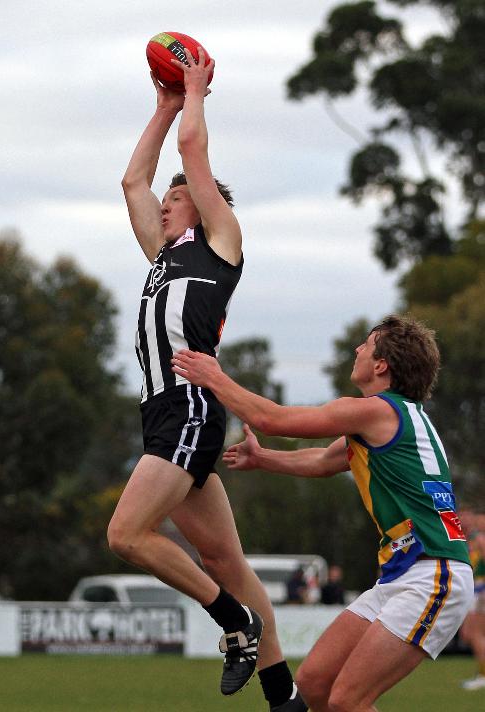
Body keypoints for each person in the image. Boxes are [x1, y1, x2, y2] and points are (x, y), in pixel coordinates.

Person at [108, 47, 306, 711]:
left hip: (189, 410)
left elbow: (195, 148)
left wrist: (193, 91)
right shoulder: (164, 257)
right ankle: (285, 698)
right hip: (163, 415)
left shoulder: (220, 240)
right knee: (228, 562)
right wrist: (163, 107)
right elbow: (133, 183)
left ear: (201, 203)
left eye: (175, 196)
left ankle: (233, 623)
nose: (162, 204)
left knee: (125, 535)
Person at [172, 314, 474, 711]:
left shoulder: (376, 411)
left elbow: (271, 419)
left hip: (433, 574)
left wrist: (213, 377)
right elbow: (323, 461)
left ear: (382, 364)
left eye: (366, 345)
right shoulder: (399, 418)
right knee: (314, 684)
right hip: (407, 574)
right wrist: (264, 459)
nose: (358, 350)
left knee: (348, 701)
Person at [459, 511, 485, 690]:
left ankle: (483, 676)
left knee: (475, 634)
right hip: (474, 592)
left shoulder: (480, 539)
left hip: (481, 592)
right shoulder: (466, 541)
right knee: (468, 634)